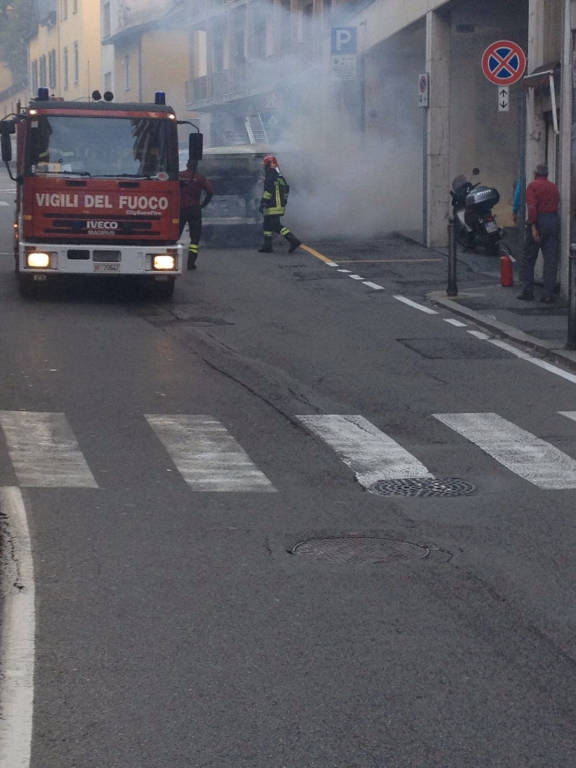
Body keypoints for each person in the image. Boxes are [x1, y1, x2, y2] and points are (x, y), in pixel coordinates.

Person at [517, 163, 560, 303]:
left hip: (538, 221)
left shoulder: (532, 186)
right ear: (546, 174)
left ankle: (527, 291)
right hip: (552, 221)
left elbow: (532, 208)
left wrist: (533, 227)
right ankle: (548, 294)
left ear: (535, 174)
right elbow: (557, 203)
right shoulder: (553, 187)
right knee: (550, 260)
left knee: (528, 258)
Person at [258, 154, 301, 254]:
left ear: (269, 164)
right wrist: (284, 201)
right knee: (267, 225)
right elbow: (287, 188)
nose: (264, 166)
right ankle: (267, 246)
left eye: (265, 164)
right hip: (277, 205)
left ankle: (293, 240)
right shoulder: (278, 174)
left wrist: (263, 203)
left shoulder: (271, 174)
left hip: (273, 205)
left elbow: (268, 191)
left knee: (276, 225)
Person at [179, 159, 213, 270]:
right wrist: (203, 205)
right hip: (195, 210)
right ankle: (191, 263)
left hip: (181, 210)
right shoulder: (200, 178)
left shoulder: (180, 176)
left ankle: (173, 260)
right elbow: (210, 192)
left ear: (187, 164)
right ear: (196, 167)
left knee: (175, 236)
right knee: (195, 238)